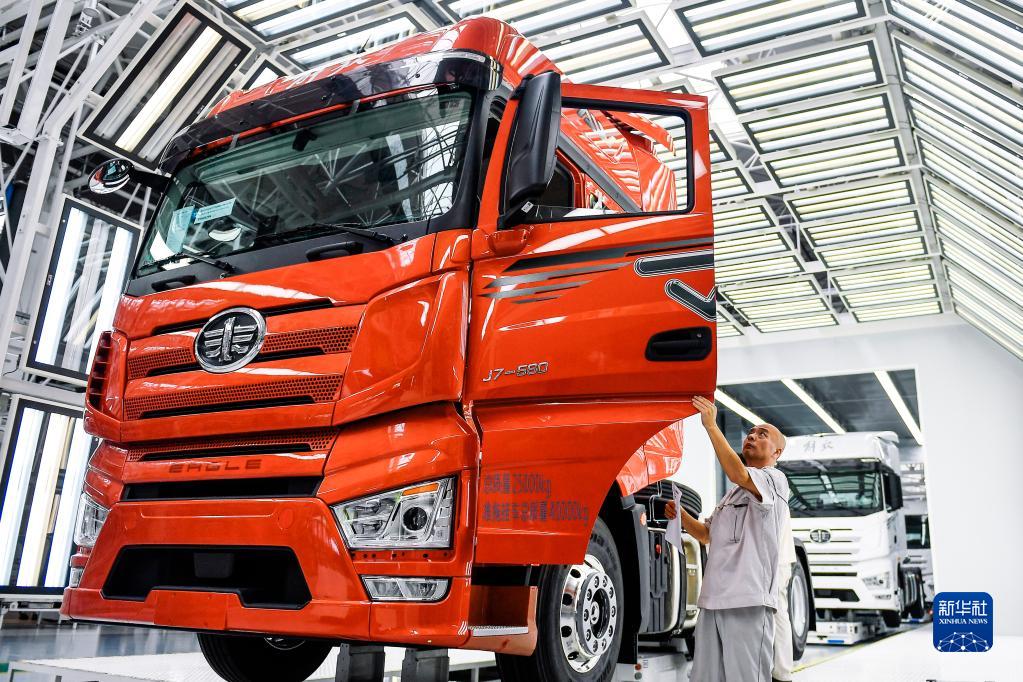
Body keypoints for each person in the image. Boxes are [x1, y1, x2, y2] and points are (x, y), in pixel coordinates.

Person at [665, 395, 789, 682]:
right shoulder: (732, 494)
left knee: (747, 677)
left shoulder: (774, 480)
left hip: (748, 601)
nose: (752, 436)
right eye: (750, 432)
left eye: (762, 434)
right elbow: (705, 535)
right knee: (707, 677)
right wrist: (681, 515)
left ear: (777, 452)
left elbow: (737, 473)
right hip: (713, 601)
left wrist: (711, 426)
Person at [773, 498, 796, 682]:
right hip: (779, 560)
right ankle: (781, 672)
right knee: (779, 614)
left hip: (777, 561)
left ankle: (782, 673)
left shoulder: (772, 485)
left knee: (778, 613)